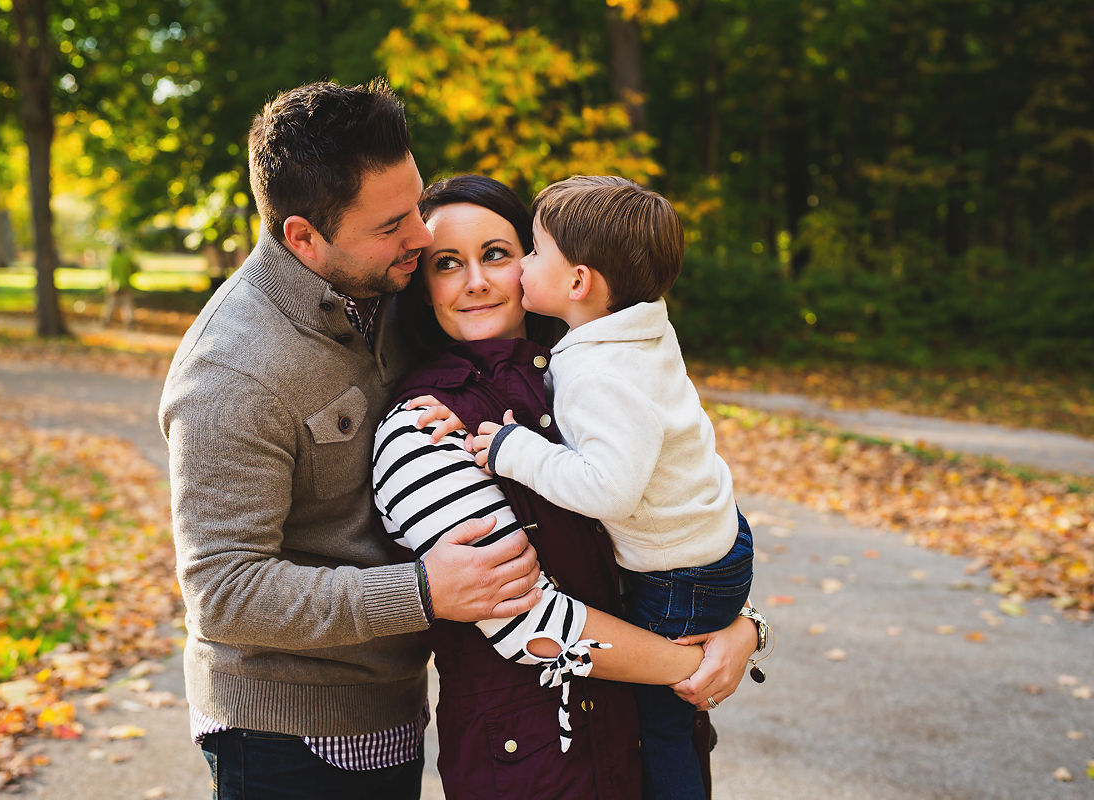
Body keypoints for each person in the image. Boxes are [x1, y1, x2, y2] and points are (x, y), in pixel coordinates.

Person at [158, 81, 545, 800]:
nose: (423, 239)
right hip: (284, 736)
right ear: (303, 237)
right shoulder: (230, 372)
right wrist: (424, 591)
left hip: (396, 706)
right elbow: (223, 590)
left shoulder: (386, 288)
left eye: (416, 205)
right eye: (394, 223)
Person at [373, 175, 766, 799]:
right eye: (448, 264)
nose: (476, 280)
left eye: (499, 254)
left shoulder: (581, 379)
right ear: (422, 285)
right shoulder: (421, 426)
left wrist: (743, 628)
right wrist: (696, 664)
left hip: (635, 746)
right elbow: (531, 624)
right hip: (538, 766)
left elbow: (668, 520)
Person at [102, 244, 138, 328]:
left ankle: (105, 321)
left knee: (110, 304)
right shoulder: (126, 259)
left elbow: (109, 273)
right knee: (127, 305)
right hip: (126, 284)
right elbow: (134, 270)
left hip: (114, 285)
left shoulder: (112, 259)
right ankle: (129, 323)